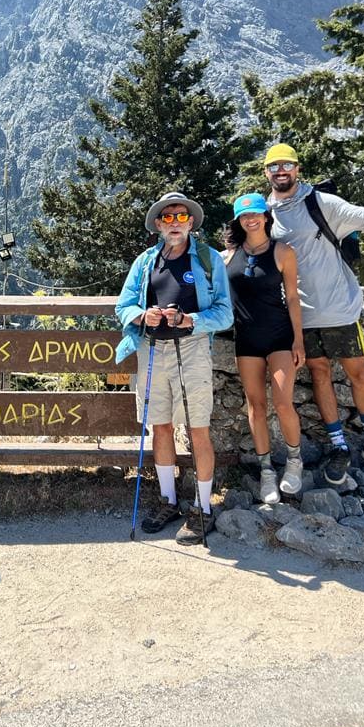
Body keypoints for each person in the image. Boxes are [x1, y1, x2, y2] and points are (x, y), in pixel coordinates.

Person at [115, 192, 233, 544]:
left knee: (198, 429)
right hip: (152, 349)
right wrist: (141, 315)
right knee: (160, 427)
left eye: (181, 217)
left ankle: (202, 507)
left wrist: (190, 320)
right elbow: (123, 305)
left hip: (192, 349)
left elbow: (226, 313)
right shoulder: (146, 262)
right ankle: (169, 500)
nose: (175, 223)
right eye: (168, 218)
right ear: (158, 225)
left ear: (191, 223)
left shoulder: (210, 260)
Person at [264, 144, 364, 485]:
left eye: (286, 165)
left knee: (359, 374)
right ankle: (338, 446)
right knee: (319, 375)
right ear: (267, 173)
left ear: (297, 169)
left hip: (340, 309)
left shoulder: (321, 203)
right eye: (274, 167)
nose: (281, 171)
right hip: (302, 317)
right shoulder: (266, 212)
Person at [223, 193, 305, 502]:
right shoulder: (227, 257)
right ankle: (267, 471)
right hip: (247, 339)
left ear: (266, 216)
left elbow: (294, 298)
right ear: (239, 221)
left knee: (283, 402)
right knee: (256, 407)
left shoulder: (283, 251)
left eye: (256, 214)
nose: (251, 220)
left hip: (280, 336)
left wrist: (299, 339)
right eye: (244, 216)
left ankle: (294, 462)